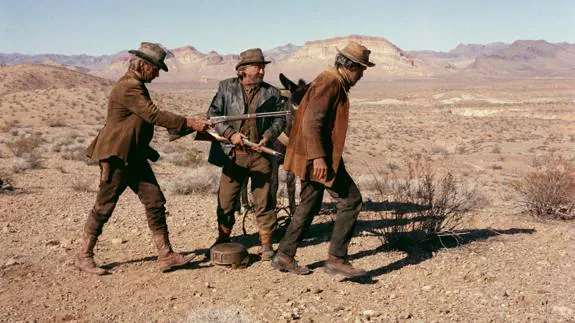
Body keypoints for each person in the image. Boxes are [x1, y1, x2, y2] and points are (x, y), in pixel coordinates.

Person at [75, 42, 211, 275]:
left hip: (134, 157)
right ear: (144, 65)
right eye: (156, 68)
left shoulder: (135, 84)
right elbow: (152, 114)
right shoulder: (129, 87)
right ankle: (84, 256)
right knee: (104, 206)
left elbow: (139, 122)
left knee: (155, 201)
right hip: (117, 157)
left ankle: (166, 255)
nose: (158, 73)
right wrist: (189, 122)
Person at [271, 41, 375, 277]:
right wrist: (319, 158)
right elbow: (311, 121)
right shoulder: (330, 82)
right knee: (351, 201)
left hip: (313, 155)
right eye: (361, 70)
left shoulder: (330, 80)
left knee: (309, 203)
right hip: (319, 157)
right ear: (350, 66)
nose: (361, 75)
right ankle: (337, 259)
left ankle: (284, 256)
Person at [207, 48, 286, 260]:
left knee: (265, 201)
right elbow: (213, 116)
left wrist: (268, 136)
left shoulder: (272, 92)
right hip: (233, 154)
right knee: (226, 200)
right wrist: (231, 134)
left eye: (262, 67)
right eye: (257, 67)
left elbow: (280, 119)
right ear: (243, 70)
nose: (261, 71)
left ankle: (267, 244)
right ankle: (223, 239)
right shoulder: (226, 88)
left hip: (260, 154)